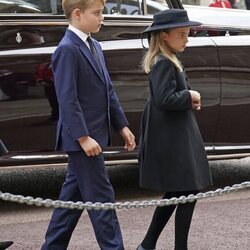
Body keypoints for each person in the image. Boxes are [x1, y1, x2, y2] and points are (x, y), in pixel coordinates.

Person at [41, 0, 136, 249]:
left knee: (70, 203)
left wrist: (121, 125)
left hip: (93, 137)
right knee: (102, 201)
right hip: (83, 140)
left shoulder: (94, 45)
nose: (102, 17)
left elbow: (108, 91)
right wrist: (83, 137)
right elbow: (67, 99)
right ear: (77, 14)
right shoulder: (67, 49)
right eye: (97, 13)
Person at [137, 9, 213, 250]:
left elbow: (168, 97)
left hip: (175, 133)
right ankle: (175, 246)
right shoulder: (163, 63)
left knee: (179, 192)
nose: (186, 39)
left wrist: (189, 99)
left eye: (187, 34)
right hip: (172, 138)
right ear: (164, 36)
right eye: (181, 34)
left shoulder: (169, 59)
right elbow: (164, 99)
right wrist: (189, 95)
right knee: (187, 191)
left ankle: (148, 244)